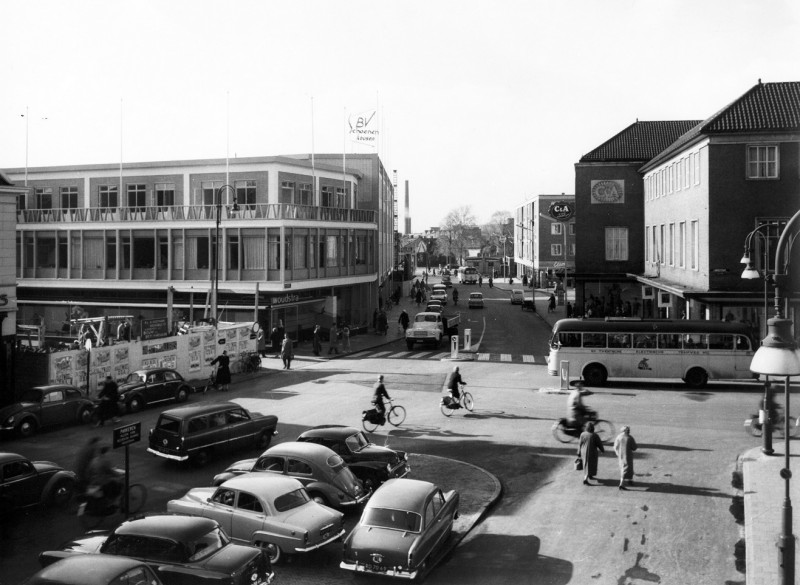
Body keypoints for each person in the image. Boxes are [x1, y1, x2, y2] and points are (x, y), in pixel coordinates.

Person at [613, 425, 638, 490]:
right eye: (628, 430)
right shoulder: (630, 438)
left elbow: (615, 447)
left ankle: (630, 480)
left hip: (620, 456)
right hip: (628, 456)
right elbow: (634, 448)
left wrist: (617, 453)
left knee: (623, 468)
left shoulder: (618, 437)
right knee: (626, 468)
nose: (629, 431)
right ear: (627, 431)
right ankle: (621, 484)